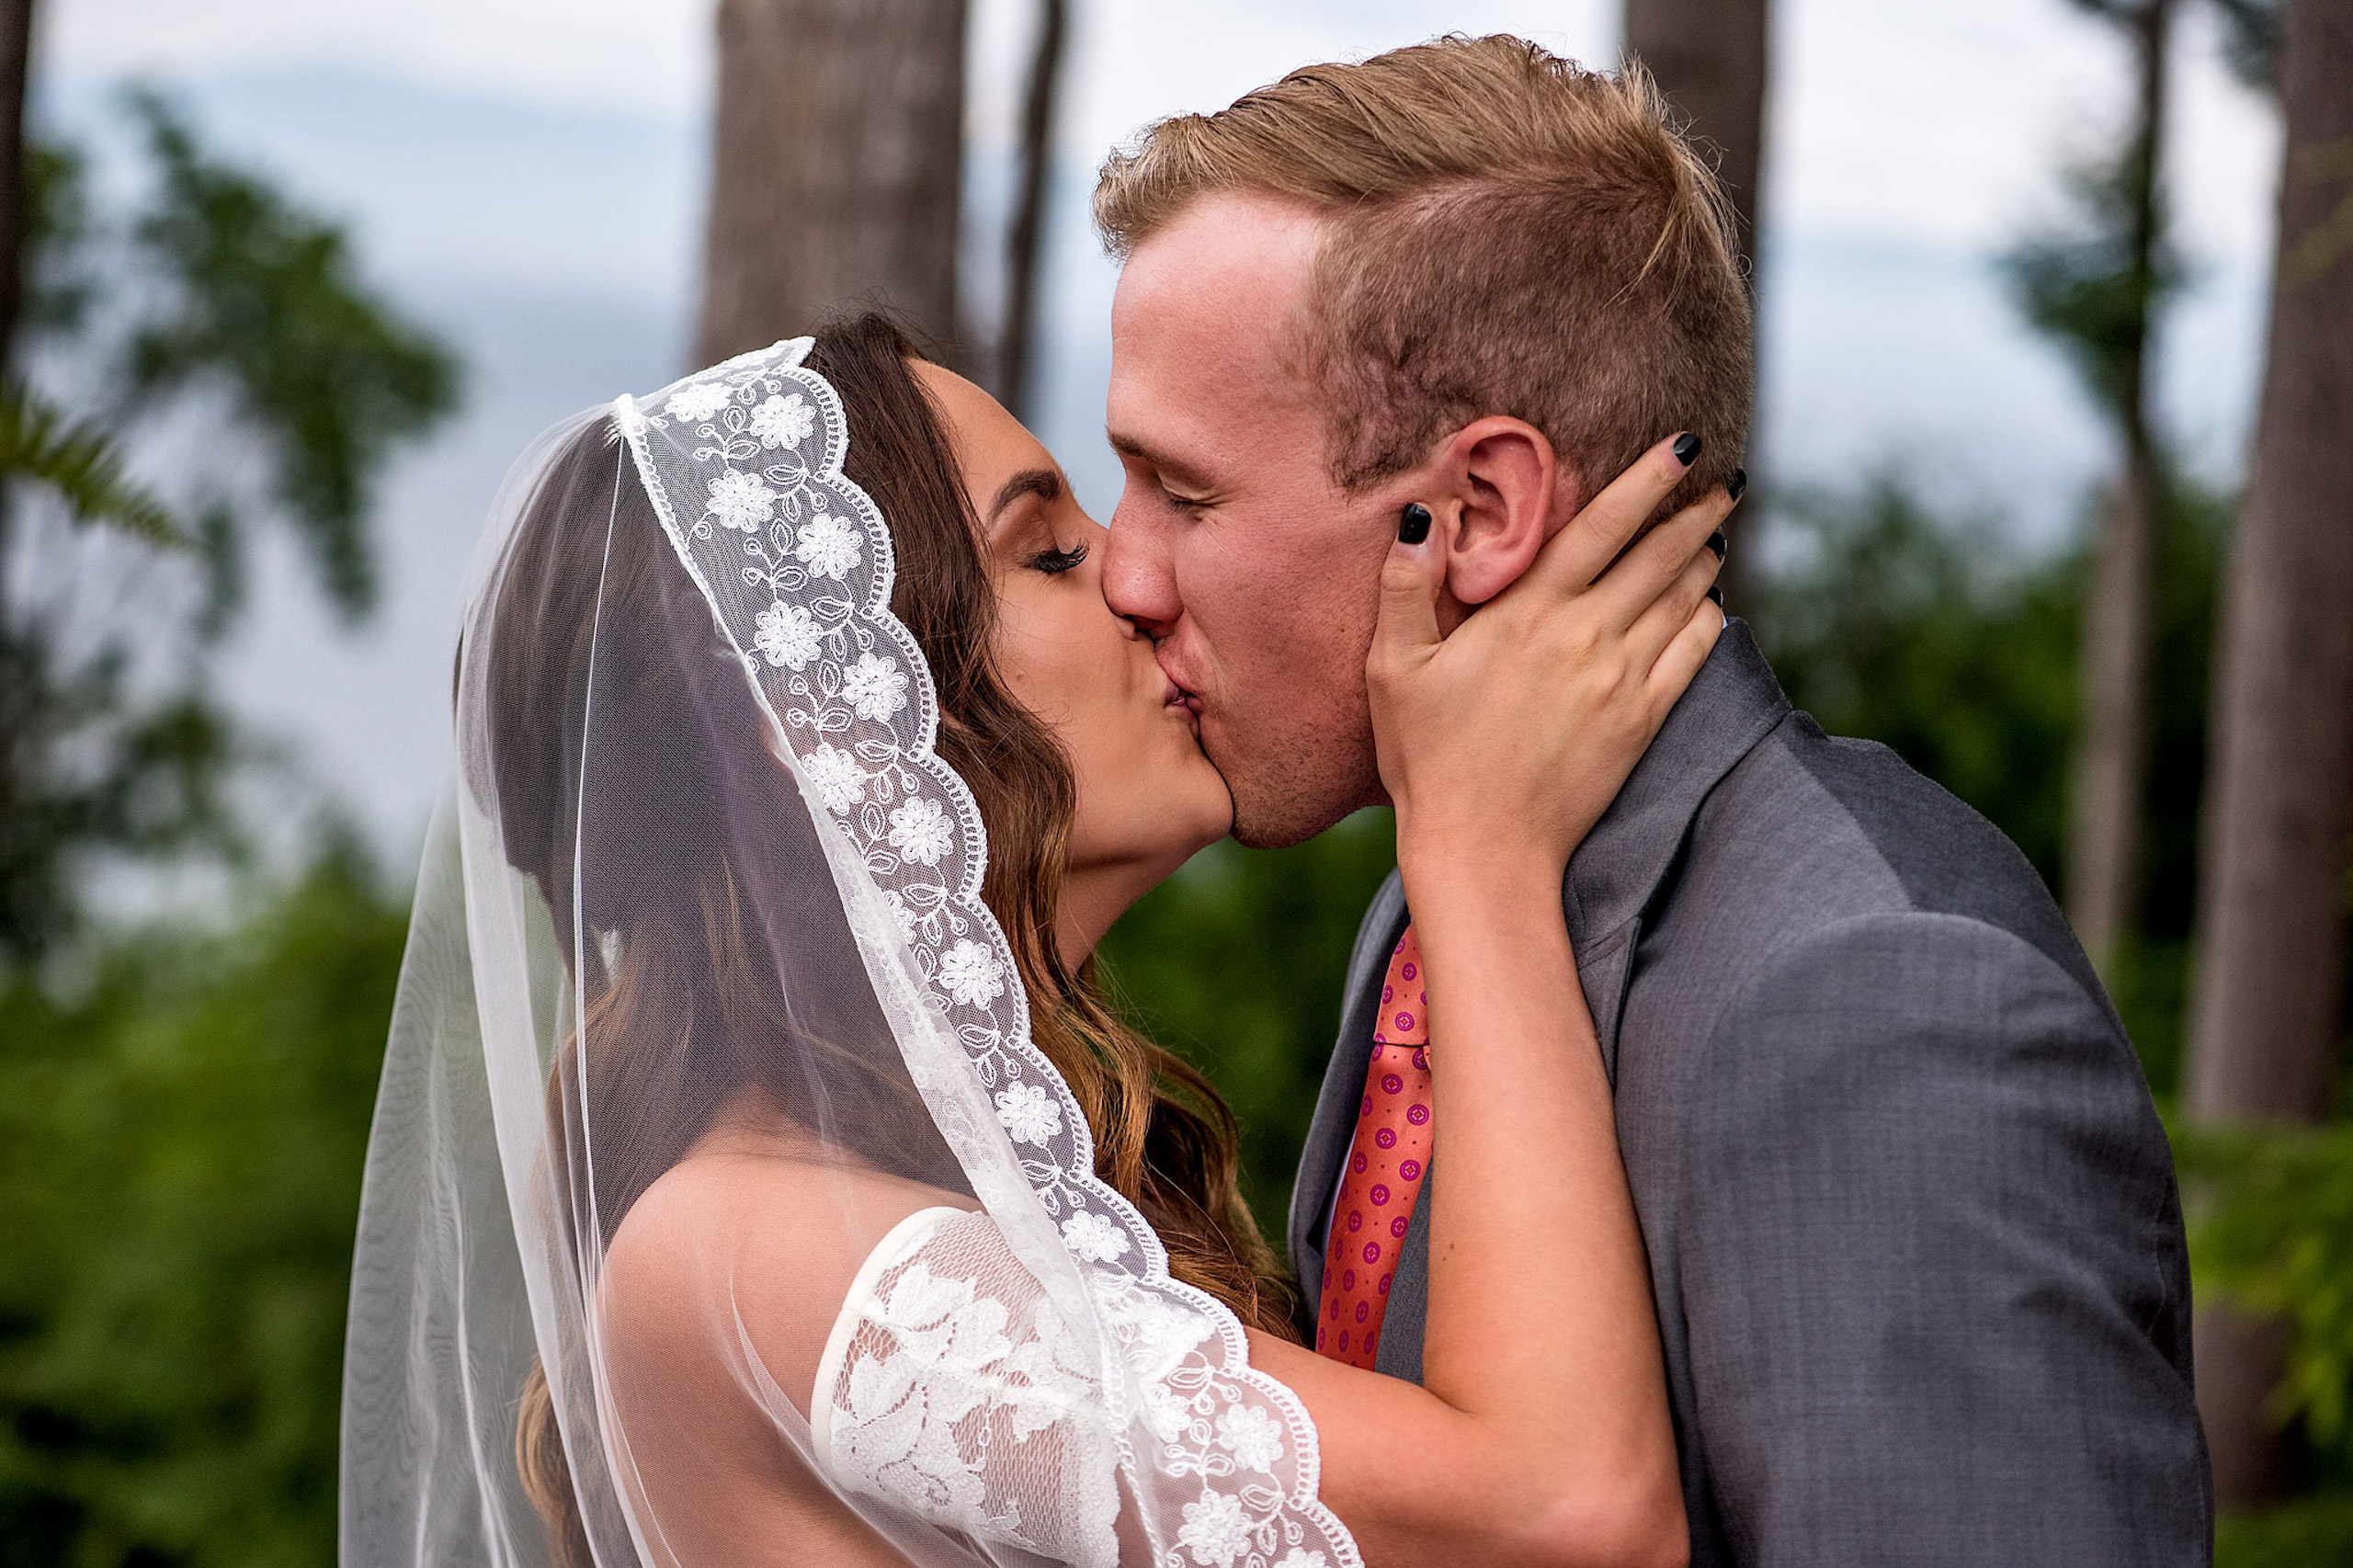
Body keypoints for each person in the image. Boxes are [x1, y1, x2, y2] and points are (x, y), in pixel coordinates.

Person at [339, 312, 1732, 1568]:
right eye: (1050, 553)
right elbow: (1564, 1523)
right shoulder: (730, 1244)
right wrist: (1482, 843)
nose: (1136, 582)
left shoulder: (908, 1194)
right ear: (833, 726)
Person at [1094, 35, 2211, 1565]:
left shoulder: (1874, 996)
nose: (1124, 571)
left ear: (1471, 512)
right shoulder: (1454, 879)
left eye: (1186, 492)